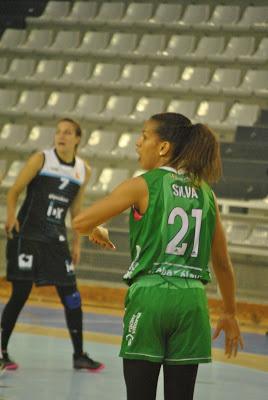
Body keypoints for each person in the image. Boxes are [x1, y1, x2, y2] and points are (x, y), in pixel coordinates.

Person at [73, 112, 244, 400]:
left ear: (163, 147)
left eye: (144, 136)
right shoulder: (207, 194)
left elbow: (80, 223)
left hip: (151, 298)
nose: (137, 143)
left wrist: (97, 230)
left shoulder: (143, 184)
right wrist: (229, 312)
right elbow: (223, 264)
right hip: (192, 303)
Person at [0, 118, 105, 372]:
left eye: (68, 132)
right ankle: (1, 352)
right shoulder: (42, 159)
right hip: (27, 235)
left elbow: (76, 210)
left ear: (78, 139)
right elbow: (14, 190)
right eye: (58, 132)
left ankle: (79, 355)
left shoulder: (83, 169)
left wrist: (77, 243)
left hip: (56, 240)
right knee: (21, 293)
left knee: (72, 296)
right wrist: (11, 215)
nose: (62, 136)